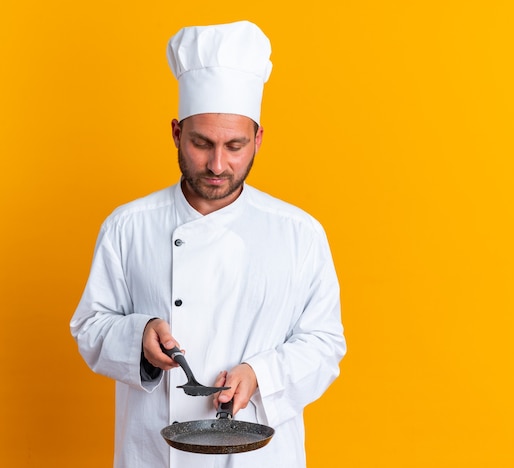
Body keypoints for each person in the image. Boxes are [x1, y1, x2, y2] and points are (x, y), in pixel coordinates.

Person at [70, 20, 346, 468]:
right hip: (154, 455)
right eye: (201, 143)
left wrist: (261, 374)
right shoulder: (128, 226)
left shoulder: (299, 233)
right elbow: (90, 327)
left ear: (258, 139)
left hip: (262, 457)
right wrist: (138, 335)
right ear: (177, 133)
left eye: (235, 145)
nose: (218, 164)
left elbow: (325, 343)